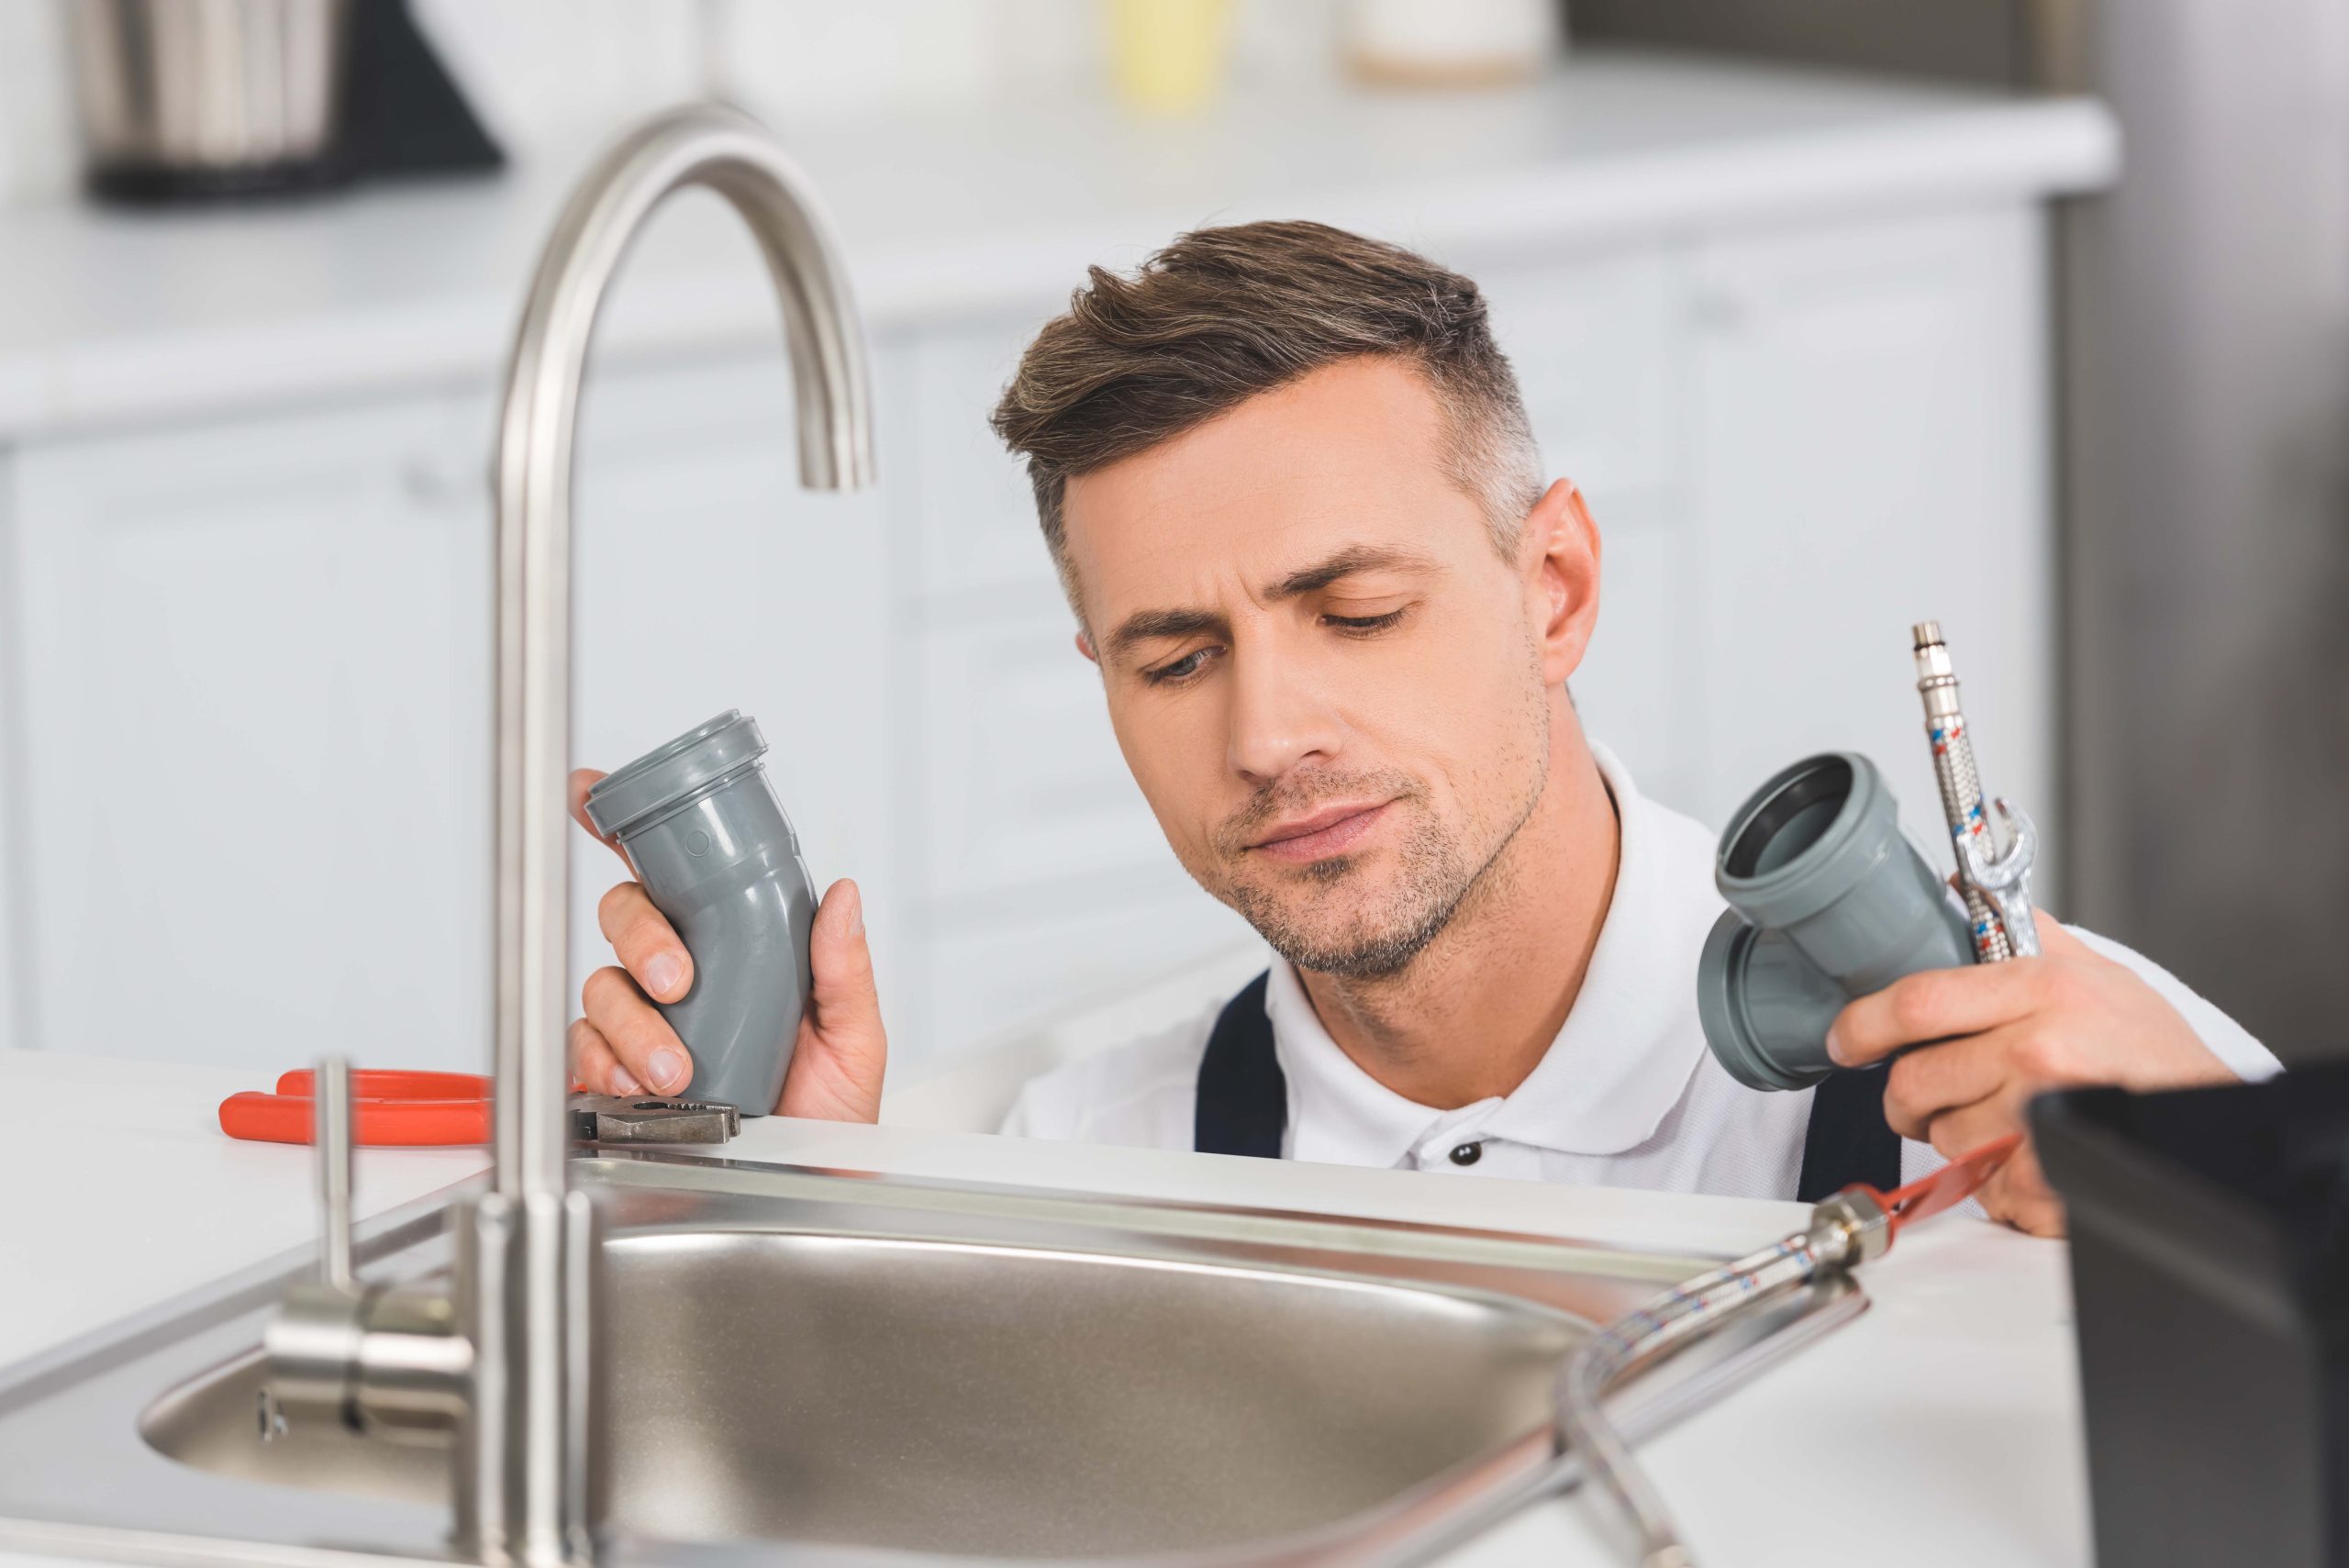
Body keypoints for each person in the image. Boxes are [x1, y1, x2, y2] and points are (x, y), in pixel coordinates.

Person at [566, 221, 2273, 1237]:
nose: (1266, 730)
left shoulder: (2062, 1078)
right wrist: (762, 1208)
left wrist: (2229, 1210)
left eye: (1356, 614)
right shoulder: (1095, 1169)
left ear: (1555, 586)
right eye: (1174, 661)